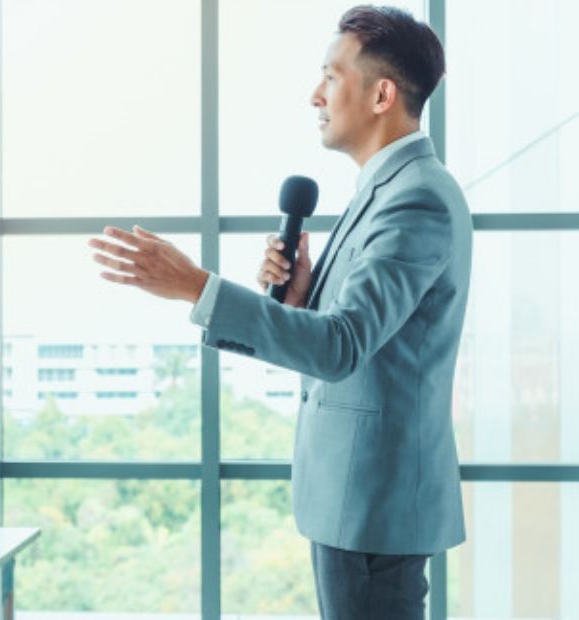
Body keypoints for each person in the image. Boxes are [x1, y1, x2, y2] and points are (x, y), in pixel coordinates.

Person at [88, 6, 467, 618]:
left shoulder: (414, 199)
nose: (314, 95)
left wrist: (195, 285)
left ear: (382, 94)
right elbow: (358, 336)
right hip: (358, 503)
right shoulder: (383, 191)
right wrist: (303, 297)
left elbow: (340, 348)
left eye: (331, 76)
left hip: (374, 508)